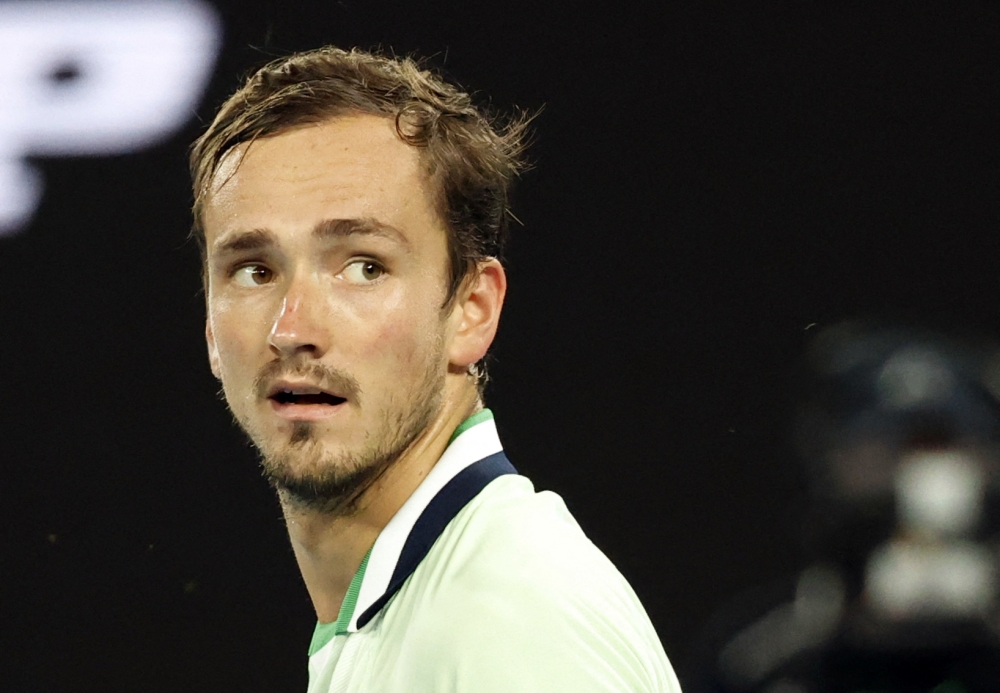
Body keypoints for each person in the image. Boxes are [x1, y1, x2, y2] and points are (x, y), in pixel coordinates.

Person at [189, 46, 680, 692]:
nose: (293, 329)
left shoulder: (510, 623)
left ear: (472, 310)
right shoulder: (424, 612)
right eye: (255, 271)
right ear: (211, 328)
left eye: (363, 266)